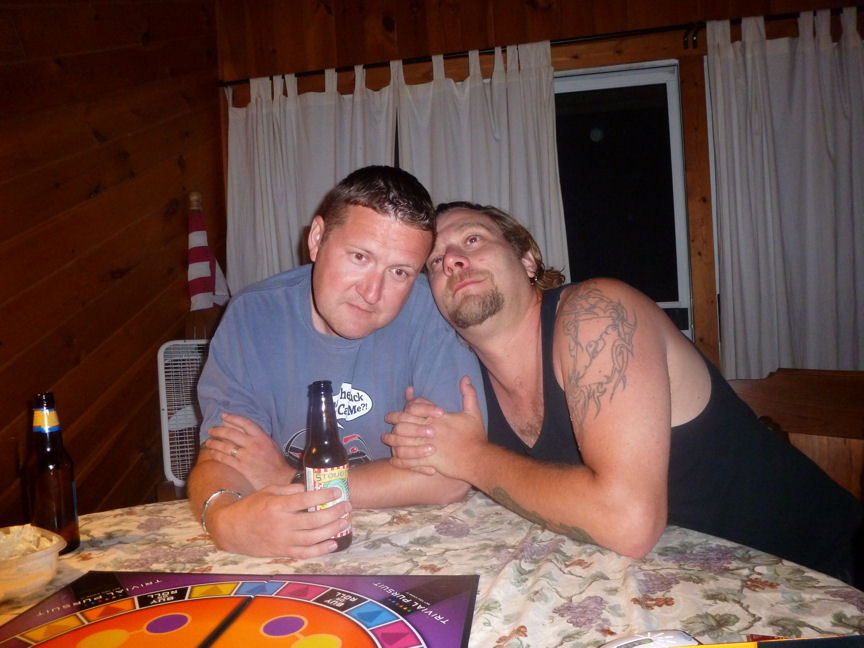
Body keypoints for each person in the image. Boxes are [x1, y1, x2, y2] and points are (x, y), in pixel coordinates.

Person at [384, 201, 862, 584]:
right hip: (690, 589)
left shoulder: (595, 313)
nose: (452, 260)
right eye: (435, 262)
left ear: (527, 260)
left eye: (472, 239)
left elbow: (627, 521)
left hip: (829, 578)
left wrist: (470, 457)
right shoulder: (463, 377)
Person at [187, 168, 485, 559]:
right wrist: (226, 522)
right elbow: (223, 459)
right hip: (290, 542)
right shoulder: (252, 316)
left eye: (399, 272)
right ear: (316, 239)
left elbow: (450, 479)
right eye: (360, 257)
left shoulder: (435, 314)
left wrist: (294, 479)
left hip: (410, 546)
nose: (372, 292)